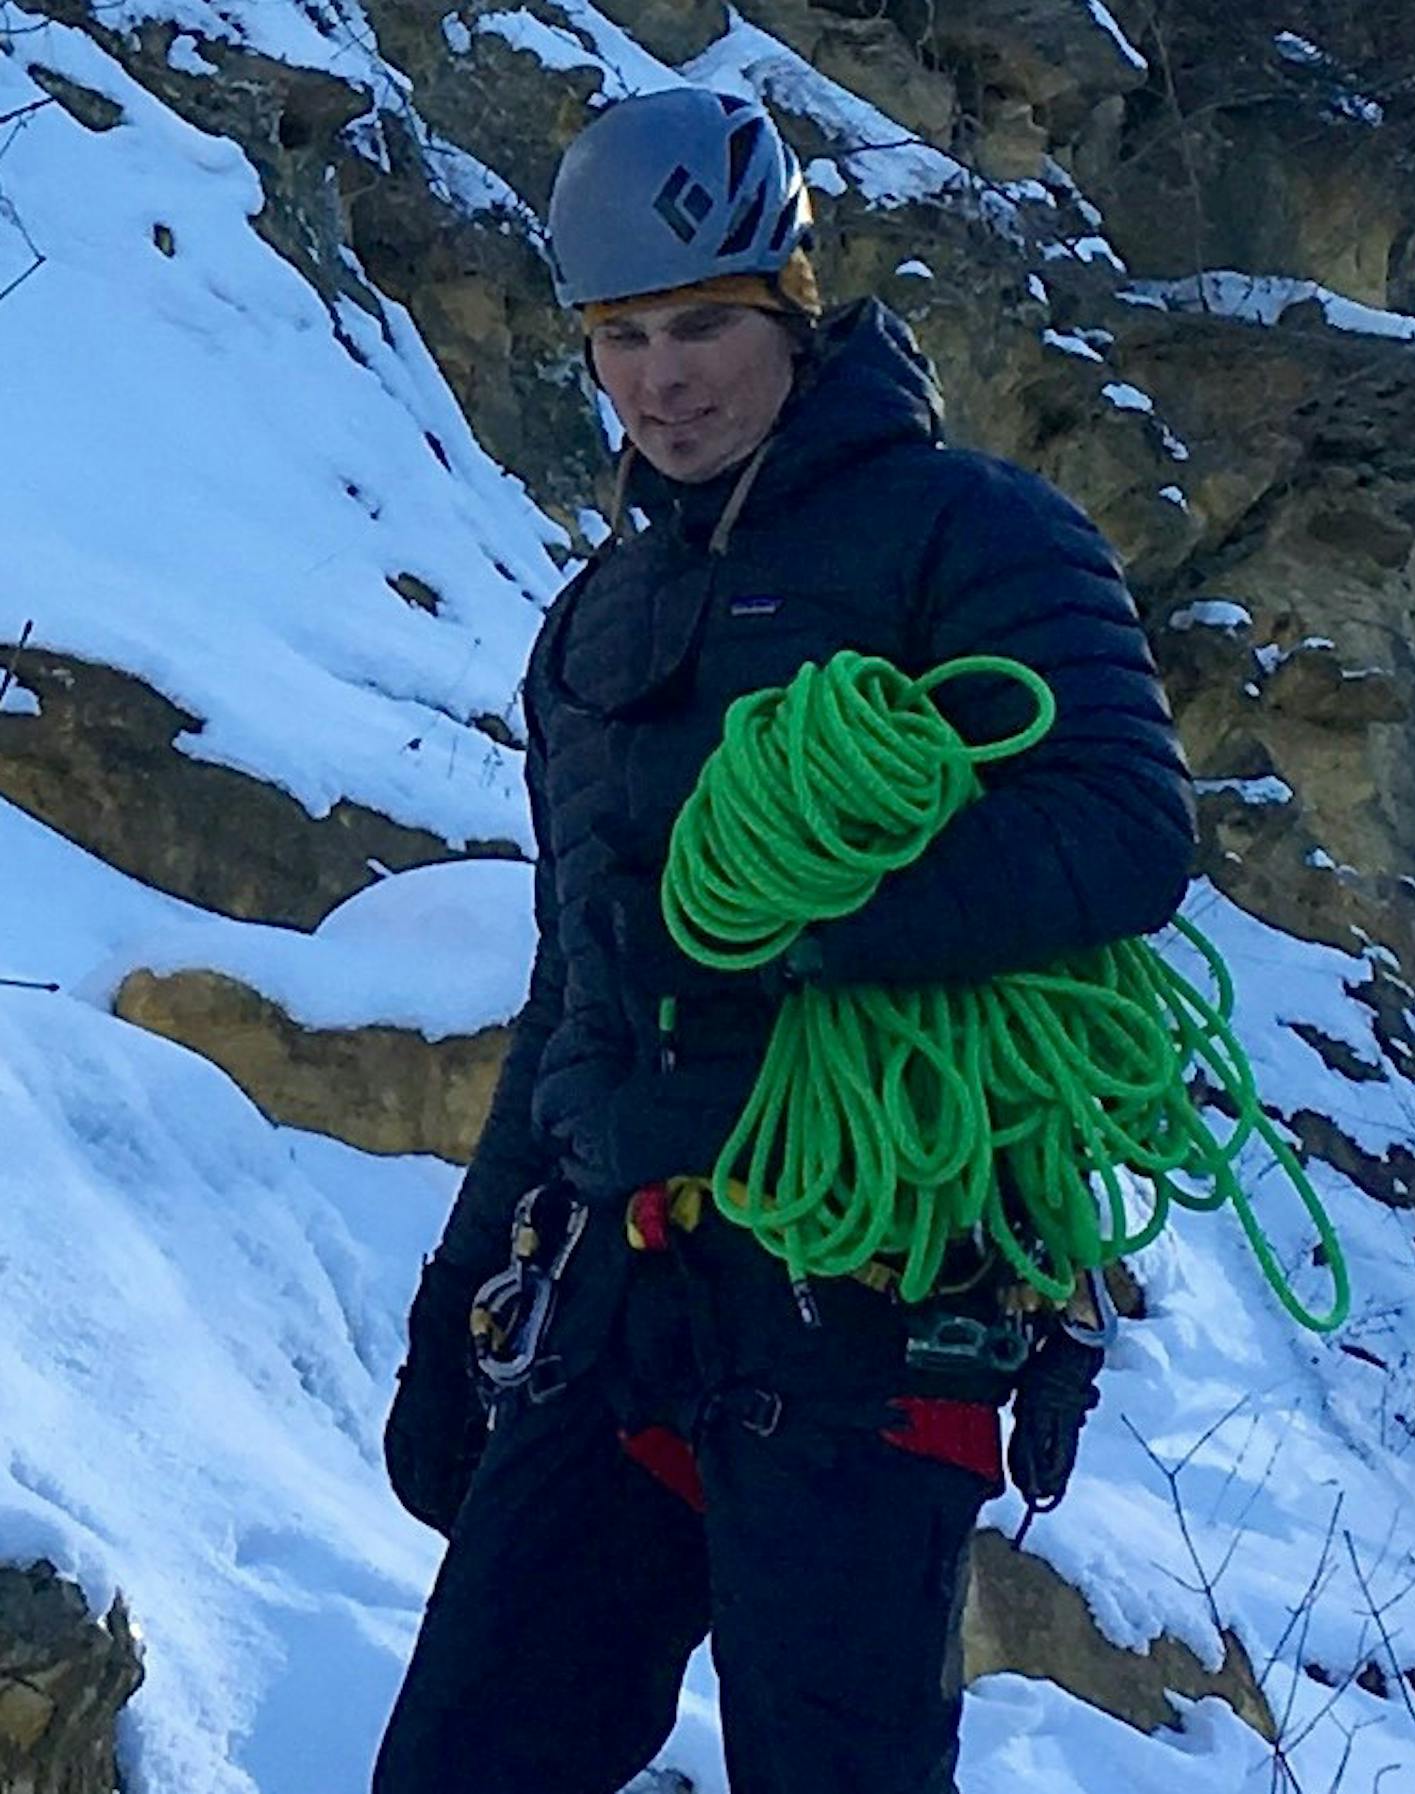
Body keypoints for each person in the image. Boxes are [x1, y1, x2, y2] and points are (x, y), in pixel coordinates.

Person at [374, 86, 1195, 1794]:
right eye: (622, 336)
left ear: (792, 309)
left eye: (701, 326)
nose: (661, 379)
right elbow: (571, 993)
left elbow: (1127, 830)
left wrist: (793, 938)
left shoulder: (970, 531)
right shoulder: (592, 621)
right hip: (617, 1284)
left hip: (867, 1303)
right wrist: (459, 1296)